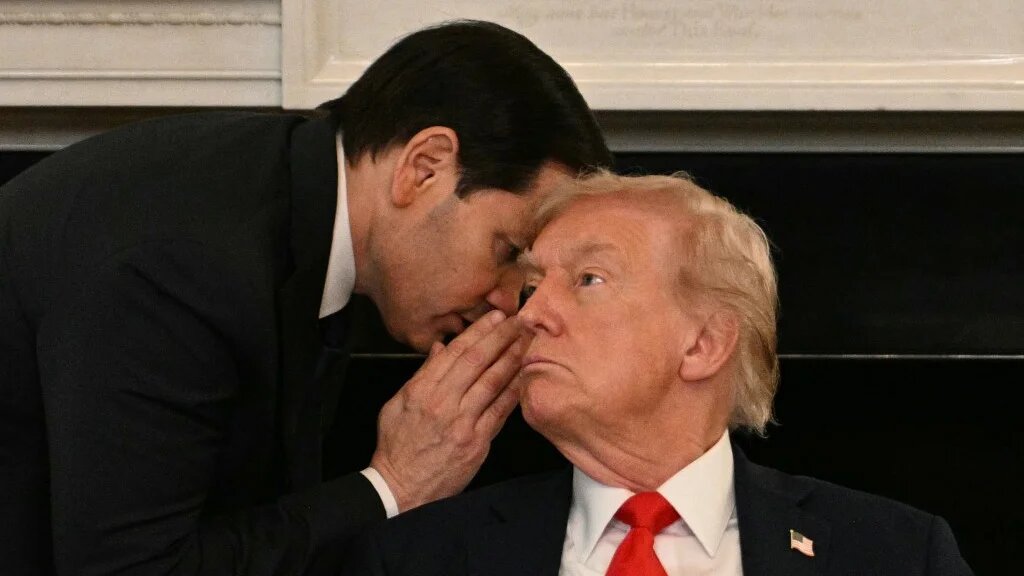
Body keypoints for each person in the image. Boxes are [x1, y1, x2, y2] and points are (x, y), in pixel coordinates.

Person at [0, 20, 611, 576]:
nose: (513, 304)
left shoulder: (300, 195)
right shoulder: (182, 266)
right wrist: (393, 484)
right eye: (507, 252)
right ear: (424, 167)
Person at [342, 171, 974, 575]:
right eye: (534, 284)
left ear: (702, 343)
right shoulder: (420, 558)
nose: (532, 312)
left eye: (589, 279)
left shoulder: (894, 554)